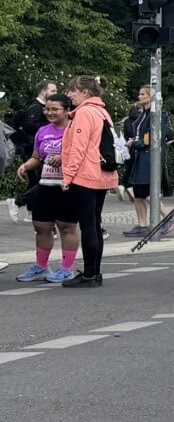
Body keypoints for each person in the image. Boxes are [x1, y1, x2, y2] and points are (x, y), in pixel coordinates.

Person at [13, 93, 81, 284]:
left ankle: (66, 268)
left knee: (67, 228)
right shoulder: (42, 131)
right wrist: (26, 165)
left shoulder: (75, 129)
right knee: (41, 227)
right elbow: (37, 157)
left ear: (67, 111)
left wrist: (64, 157)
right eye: (47, 109)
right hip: (45, 184)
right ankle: (41, 267)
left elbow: (83, 154)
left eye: (55, 109)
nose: (49, 113)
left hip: (67, 186)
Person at [59, 76, 116, 289]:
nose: (69, 94)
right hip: (102, 173)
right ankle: (95, 271)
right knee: (95, 223)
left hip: (86, 175)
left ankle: (90, 274)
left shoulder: (84, 113)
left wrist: (68, 177)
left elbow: (78, 148)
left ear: (85, 92)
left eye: (73, 90)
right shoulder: (102, 111)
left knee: (88, 225)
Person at [122, 86, 162, 237]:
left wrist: (135, 143)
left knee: (145, 191)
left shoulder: (154, 115)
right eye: (139, 94)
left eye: (143, 94)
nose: (139, 96)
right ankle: (142, 224)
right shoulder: (143, 115)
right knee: (138, 191)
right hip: (138, 154)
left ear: (151, 96)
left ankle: (168, 218)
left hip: (146, 156)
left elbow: (151, 138)